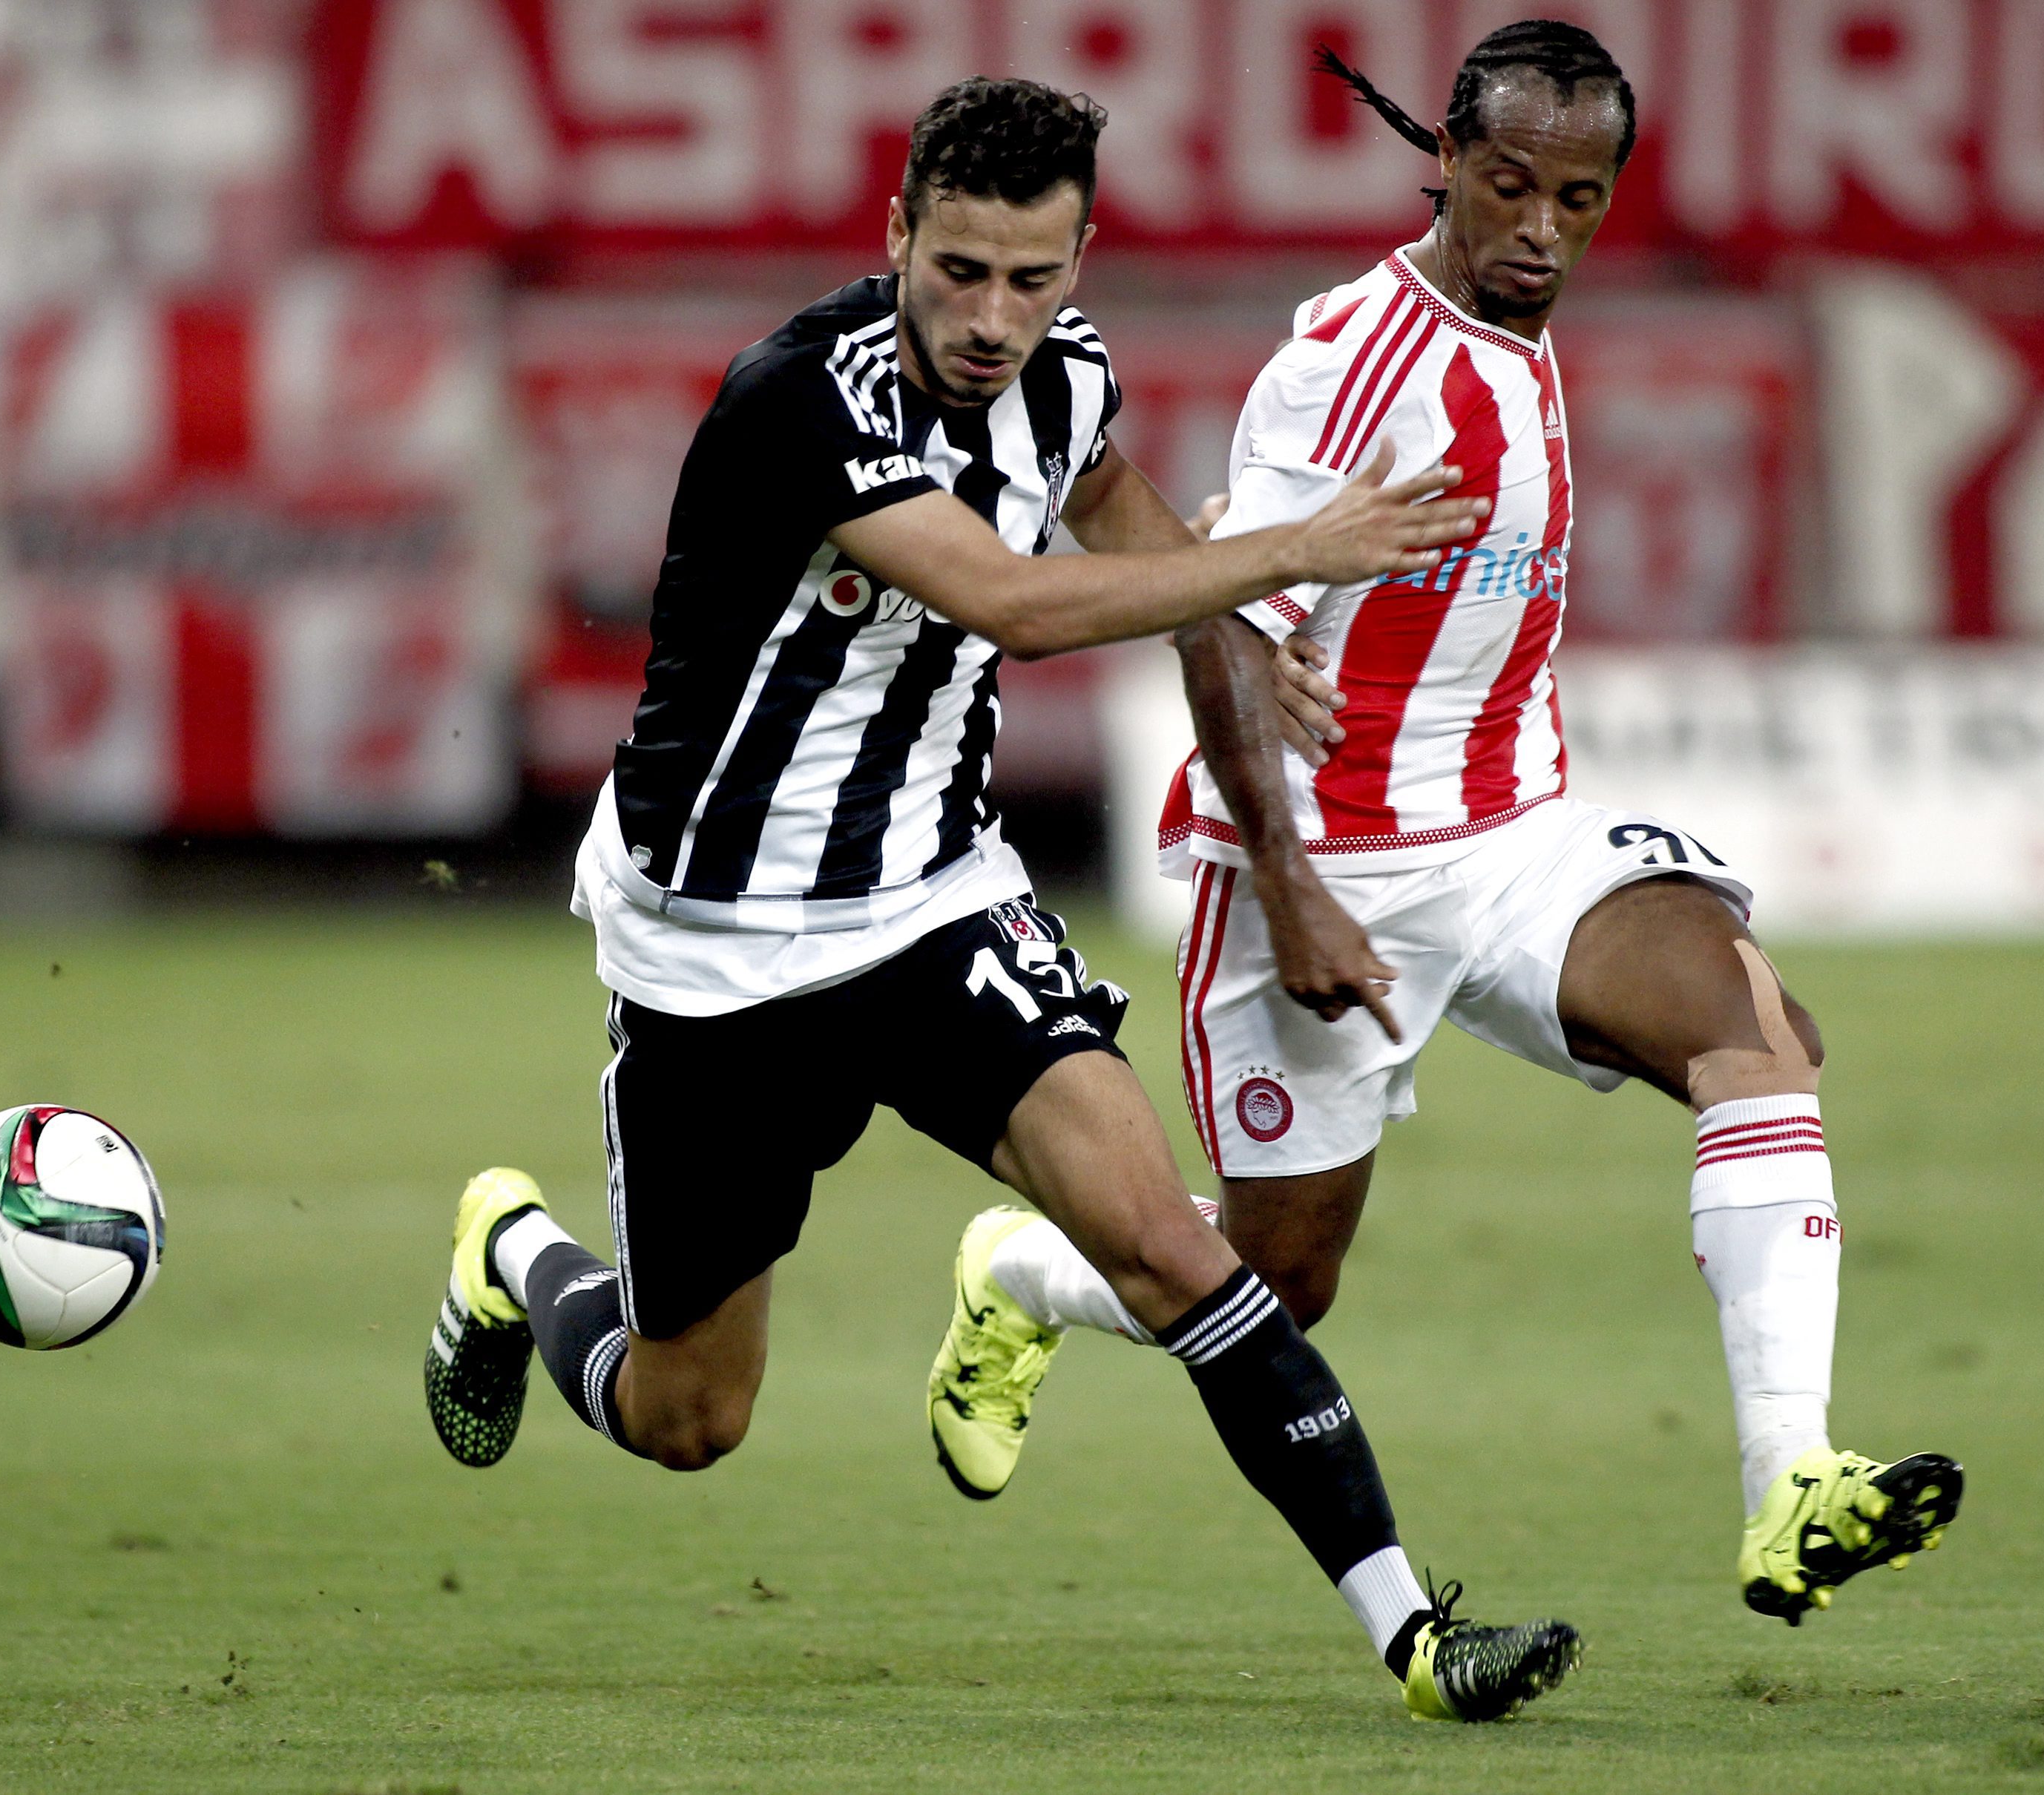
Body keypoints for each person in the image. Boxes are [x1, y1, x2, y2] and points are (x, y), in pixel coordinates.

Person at [421, 76, 1581, 1721]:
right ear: (894, 232)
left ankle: (1413, 1636)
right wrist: (1288, 555)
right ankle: (512, 1255)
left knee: (1172, 1246)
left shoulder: (1065, 380)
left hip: (932, 906)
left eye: (1029, 279)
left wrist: (1238, 638)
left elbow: (1130, 530)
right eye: (956, 269)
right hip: (717, 951)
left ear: (1078, 259)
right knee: (688, 1414)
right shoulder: (798, 400)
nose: (989, 317)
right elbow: (1020, 607)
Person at [933, 24, 1963, 1629]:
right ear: (1446, 171)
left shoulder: (1520, 327)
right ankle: (1020, 1278)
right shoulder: (1345, 362)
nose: (1540, 227)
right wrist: (1285, 877)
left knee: (1753, 1030)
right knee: (1274, 1284)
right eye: (1506, 186)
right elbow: (1218, 621)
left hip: (1517, 834)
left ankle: (1790, 1485)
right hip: (1322, 867)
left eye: (1578, 195)